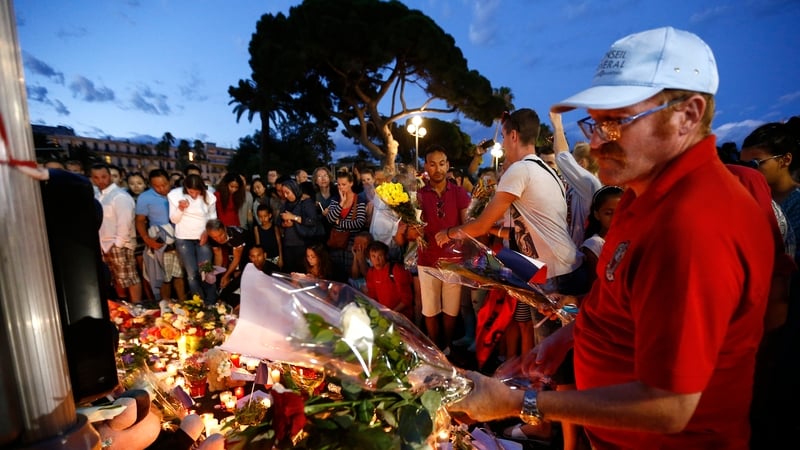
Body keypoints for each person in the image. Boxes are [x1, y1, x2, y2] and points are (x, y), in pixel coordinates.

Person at [447, 27, 774, 449]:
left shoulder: (694, 223)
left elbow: (670, 405)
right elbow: (619, 301)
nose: (597, 143)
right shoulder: (642, 197)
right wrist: (570, 337)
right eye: (595, 124)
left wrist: (522, 402)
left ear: (688, 115)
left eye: (617, 123)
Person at [417, 146, 471, 352]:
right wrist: (414, 229)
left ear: (448, 166)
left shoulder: (459, 193)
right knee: (430, 309)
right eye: (433, 164)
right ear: (426, 167)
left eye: (442, 163)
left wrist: (454, 234)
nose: (438, 169)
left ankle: (446, 346)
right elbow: (410, 231)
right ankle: (434, 347)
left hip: (453, 260)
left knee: (451, 308)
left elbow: (466, 224)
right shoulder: (419, 195)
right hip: (427, 259)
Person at [90, 163, 143, 303]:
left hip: (119, 243)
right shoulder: (96, 195)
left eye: (104, 177)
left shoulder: (119, 196)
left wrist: (118, 243)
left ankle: (136, 305)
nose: (100, 180)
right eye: (96, 177)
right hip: (103, 243)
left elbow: (124, 222)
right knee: (115, 278)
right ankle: (123, 306)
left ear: (110, 177)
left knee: (129, 277)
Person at [136, 169, 185, 301]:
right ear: (151, 185)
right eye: (157, 186)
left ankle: (183, 305)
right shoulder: (145, 198)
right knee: (164, 278)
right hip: (161, 244)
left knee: (179, 276)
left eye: (164, 185)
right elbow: (140, 221)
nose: (161, 188)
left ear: (170, 181)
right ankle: (166, 307)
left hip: (180, 242)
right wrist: (147, 240)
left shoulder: (178, 194)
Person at [168, 174, 218, 303]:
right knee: (192, 275)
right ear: (186, 188)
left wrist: (207, 232)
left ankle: (211, 302)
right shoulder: (175, 195)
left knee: (206, 272)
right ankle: (198, 303)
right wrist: (180, 208)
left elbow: (213, 217)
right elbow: (174, 219)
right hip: (184, 238)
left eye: (197, 192)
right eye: (191, 192)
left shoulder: (210, 197)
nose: (194, 195)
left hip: (203, 237)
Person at [365, 240, 413, 319]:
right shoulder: (371, 272)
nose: (377, 260)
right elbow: (372, 296)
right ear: (369, 258)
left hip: (401, 317)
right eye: (373, 256)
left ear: (386, 255)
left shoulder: (396, 270)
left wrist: (390, 314)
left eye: (380, 256)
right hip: (384, 317)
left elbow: (406, 299)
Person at [206, 219, 247, 305]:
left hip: (248, 251)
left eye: (220, 235)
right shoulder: (213, 238)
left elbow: (237, 259)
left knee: (239, 277)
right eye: (214, 237)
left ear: (224, 229)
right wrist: (215, 273)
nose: (218, 239)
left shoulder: (236, 236)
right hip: (233, 253)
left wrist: (226, 275)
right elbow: (218, 256)